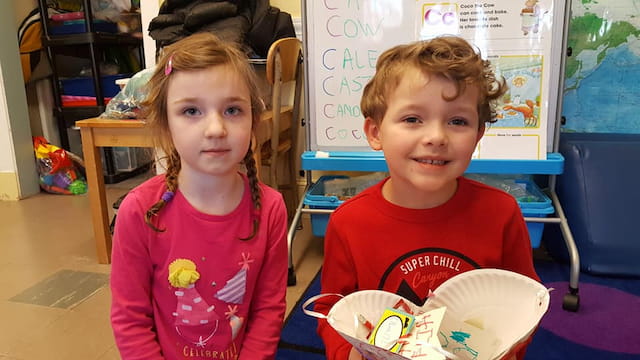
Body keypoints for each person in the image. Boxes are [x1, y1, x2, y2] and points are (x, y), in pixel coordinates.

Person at [315, 36, 540, 360]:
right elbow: (332, 307)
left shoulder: (502, 213)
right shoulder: (349, 221)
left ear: (477, 135)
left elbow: (523, 306)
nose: (436, 137)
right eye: (412, 119)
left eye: (457, 121)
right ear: (376, 132)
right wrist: (348, 353)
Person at [110, 32, 288, 360]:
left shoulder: (271, 208)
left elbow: (268, 310)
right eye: (192, 111)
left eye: (233, 110)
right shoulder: (139, 210)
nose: (216, 129)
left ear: (253, 118)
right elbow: (130, 320)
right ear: (165, 125)